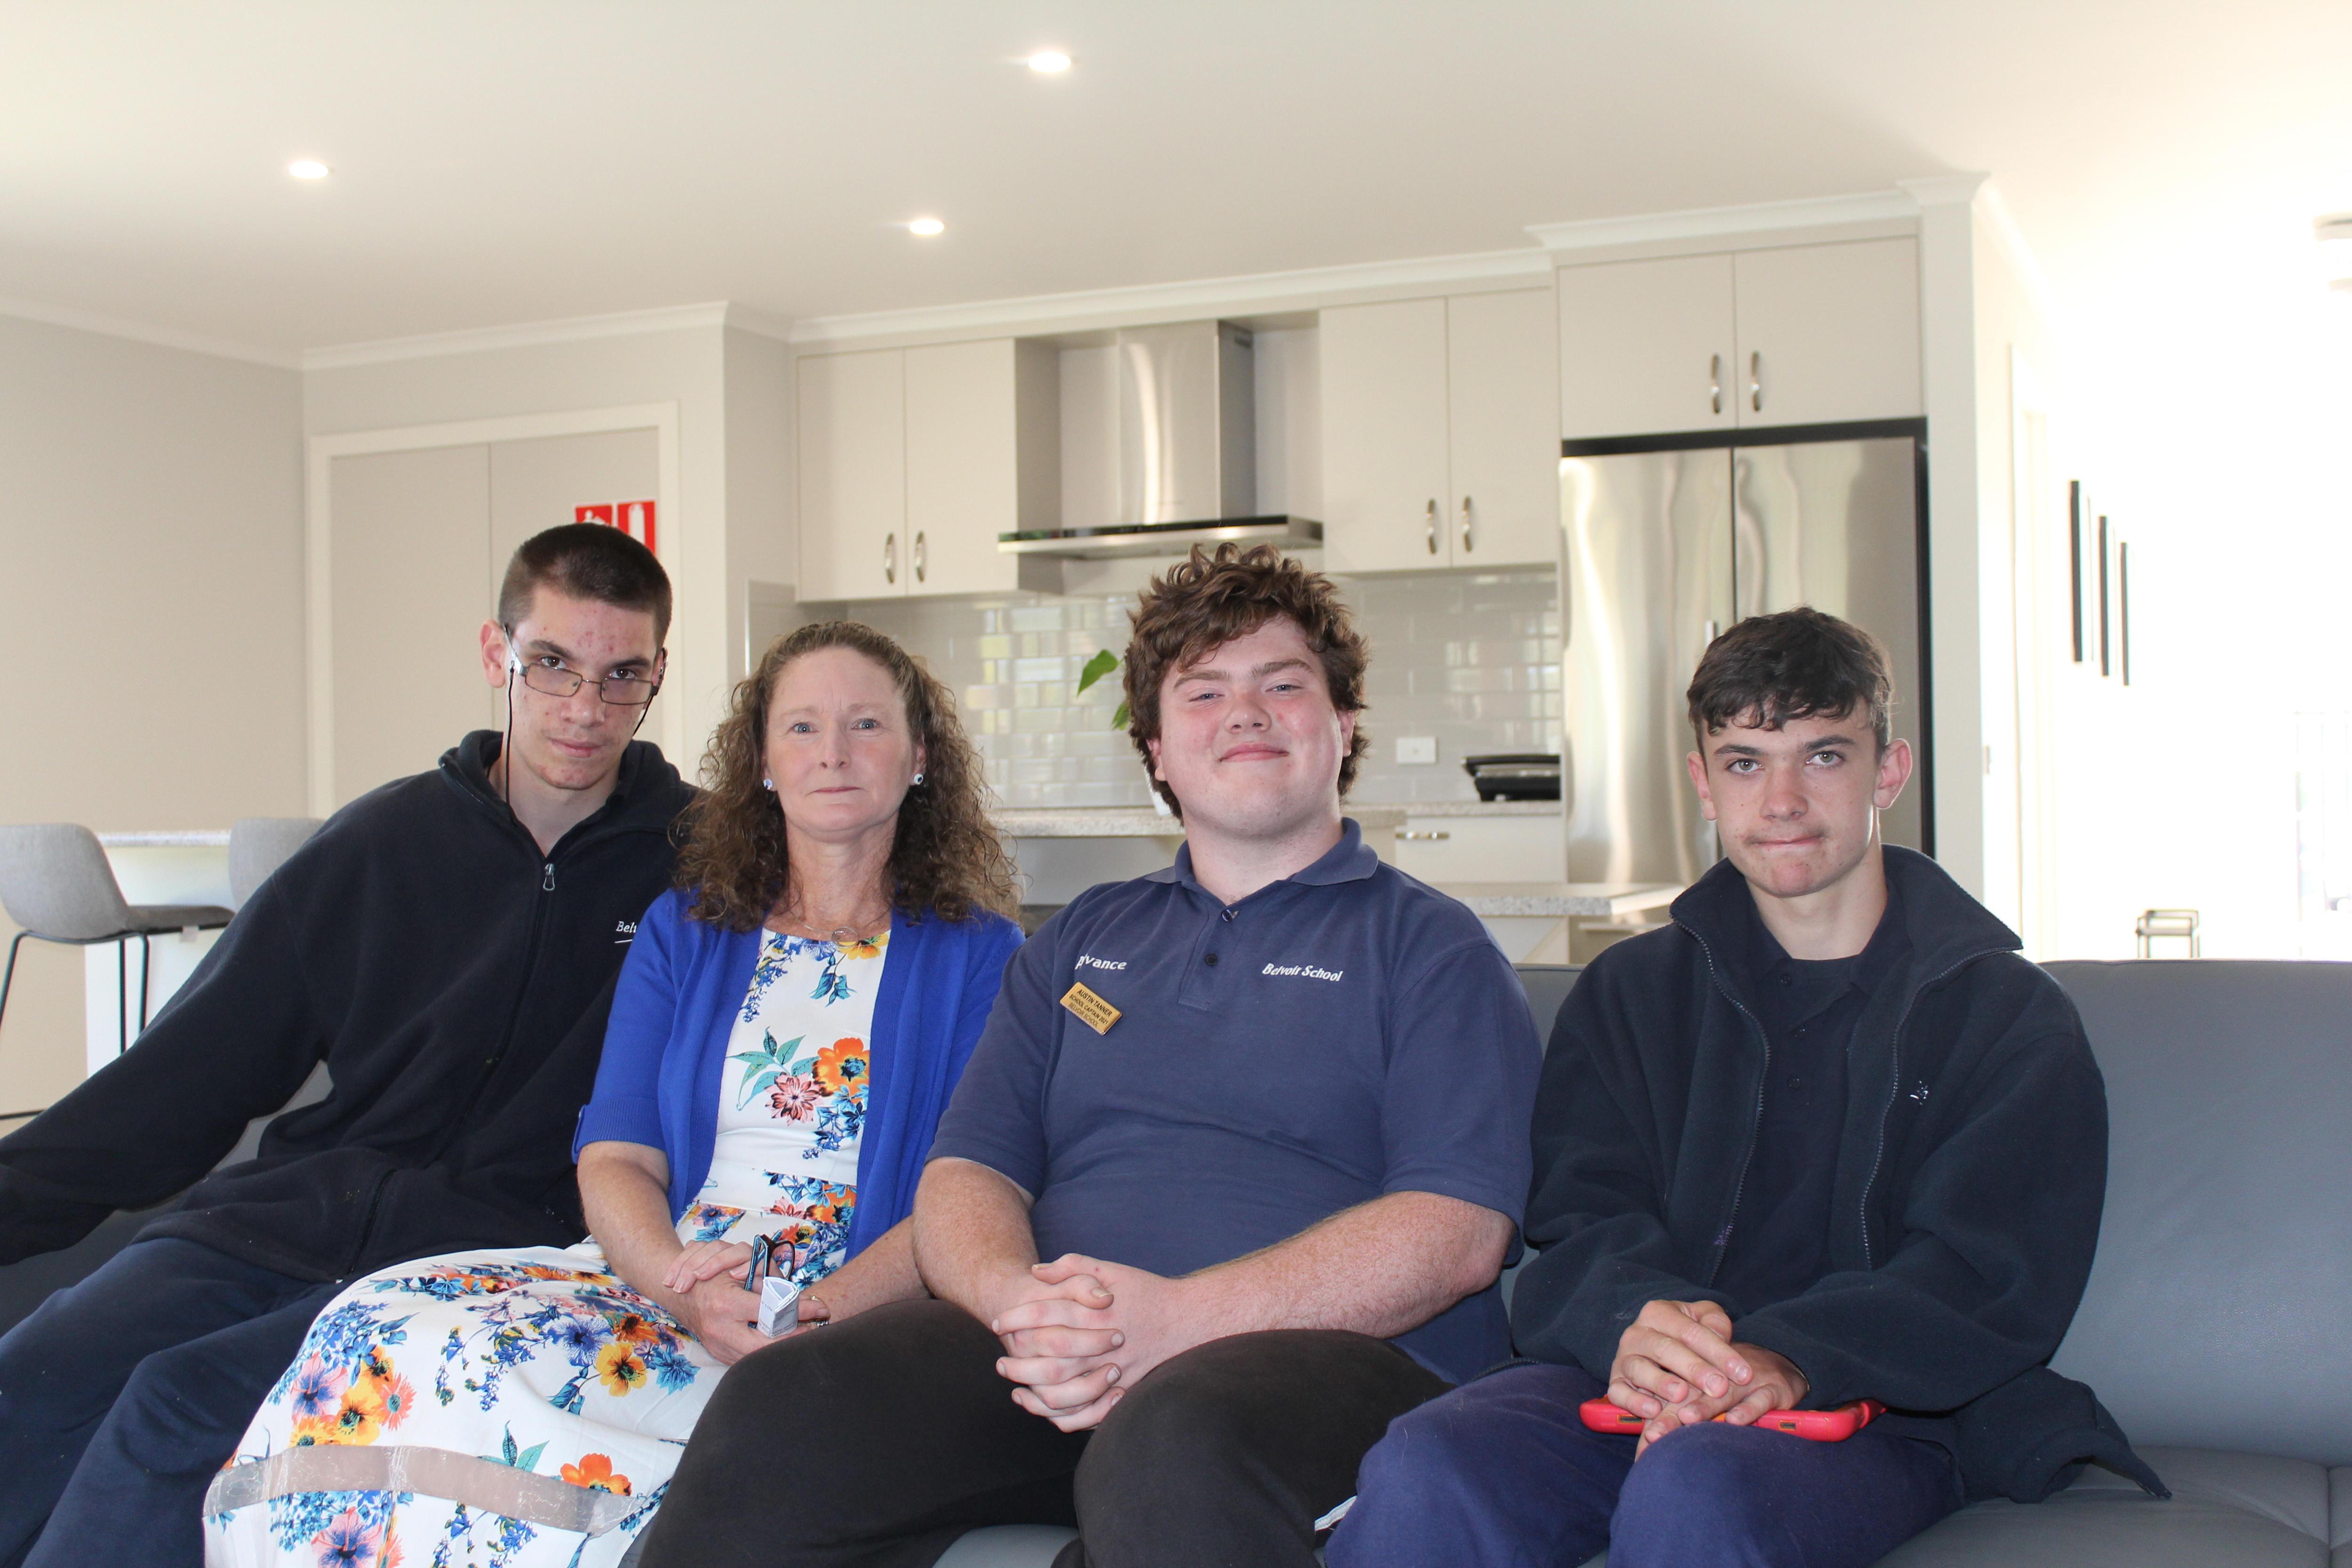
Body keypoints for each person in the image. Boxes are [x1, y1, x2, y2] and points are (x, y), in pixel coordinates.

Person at [638, 543, 1542, 1568]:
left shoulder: (1430, 945)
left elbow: (1456, 1229)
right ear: (1156, 747)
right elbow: (969, 1171)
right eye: (1203, 691)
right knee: (791, 1399)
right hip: (1058, 1351)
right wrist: (1018, 1303)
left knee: (1174, 1433)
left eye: (1282, 684)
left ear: (1342, 724)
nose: (1243, 712)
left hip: (1336, 1370)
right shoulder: (1083, 936)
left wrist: (1179, 1319)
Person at [1331, 607, 2161, 1568]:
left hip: (1885, 1409)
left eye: (1821, 756)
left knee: (1701, 1484)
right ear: (1701, 783)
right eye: (1742, 761)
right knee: (1431, 1459)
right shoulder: (1630, 993)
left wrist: (1788, 1358)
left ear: (1886, 771)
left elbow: (1990, 1272)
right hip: (1646, 1380)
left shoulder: (2005, 1013)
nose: (1780, 800)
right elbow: (1579, 1218)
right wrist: (1639, 1326)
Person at [201, 621, 1025, 1568]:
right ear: (761, 761)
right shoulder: (687, 930)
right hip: (668, 1279)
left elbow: (967, 1191)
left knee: (478, 1373)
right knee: (378, 1320)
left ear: (919, 757)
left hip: (845, 1302)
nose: (832, 751)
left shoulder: (983, 955)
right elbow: (619, 1153)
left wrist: (819, 1315)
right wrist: (678, 1285)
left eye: (866, 724)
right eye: (801, 727)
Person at [0, 524, 696, 1568]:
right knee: (34, 1375)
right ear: (494, 652)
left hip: (481, 1251)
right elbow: (180, 1079)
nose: (584, 708)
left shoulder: (700, 871)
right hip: (278, 1217)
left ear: (656, 678)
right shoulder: (380, 844)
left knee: (167, 1414)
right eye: (552, 663)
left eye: (620, 675)